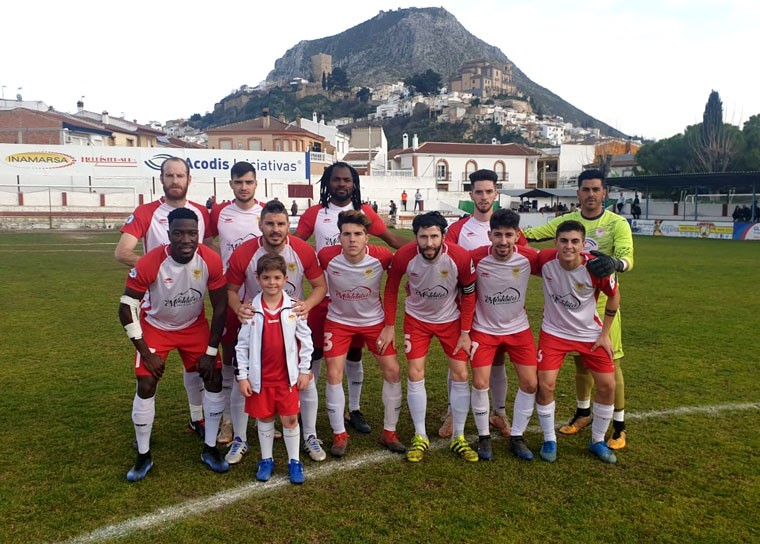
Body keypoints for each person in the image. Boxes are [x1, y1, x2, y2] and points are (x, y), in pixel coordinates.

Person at [519, 168, 634, 450]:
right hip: (566, 309)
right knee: (580, 364)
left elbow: (627, 258)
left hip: (602, 306)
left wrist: (614, 264)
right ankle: (583, 414)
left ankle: (618, 427)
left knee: (611, 364)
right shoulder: (567, 222)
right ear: (578, 193)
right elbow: (529, 236)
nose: (591, 194)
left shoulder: (616, 223)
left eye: (596, 189)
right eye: (586, 189)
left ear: (604, 193)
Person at [296, 162, 406, 436]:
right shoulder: (315, 213)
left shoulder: (365, 212)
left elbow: (392, 240)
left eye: (347, 180)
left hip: (362, 301)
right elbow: (297, 246)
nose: (342, 184)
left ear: (354, 184)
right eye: (337, 180)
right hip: (326, 300)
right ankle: (307, 409)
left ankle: (353, 410)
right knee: (318, 355)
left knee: (355, 356)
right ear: (328, 183)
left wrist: (429, 253)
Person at [119, 208, 228, 482]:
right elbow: (126, 307)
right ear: (168, 235)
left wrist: (211, 351)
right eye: (178, 233)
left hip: (194, 327)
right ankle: (143, 455)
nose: (186, 239)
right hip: (156, 328)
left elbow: (221, 307)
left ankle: (211, 448)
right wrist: (145, 352)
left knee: (214, 377)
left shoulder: (210, 260)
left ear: (199, 234)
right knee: (146, 382)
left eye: (192, 233)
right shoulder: (150, 262)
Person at [115, 156, 214, 440]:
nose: (174, 181)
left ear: (188, 180)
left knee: (196, 369)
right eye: (169, 176)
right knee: (148, 378)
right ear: (161, 179)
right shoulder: (146, 212)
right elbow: (122, 252)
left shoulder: (200, 213)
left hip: (190, 304)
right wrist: (155, 269)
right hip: (157, 306)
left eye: (180, 176)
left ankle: (197, 418)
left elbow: (207, 252)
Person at [226, 199, 327, 464]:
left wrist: (307, 305)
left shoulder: (303, 250)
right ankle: (240, 438)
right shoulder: (244, 253)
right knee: (244, 381)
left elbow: (320, 286)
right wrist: (238, 308)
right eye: (269, 223)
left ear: (288, 226)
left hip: (293, 325)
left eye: (281, 223)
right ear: (260, 225)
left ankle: (310, 435)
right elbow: (230, 291)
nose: (275, 229)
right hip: (256, 325)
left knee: (304, 380)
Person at [378, 211, 478, 463]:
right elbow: (390, 290)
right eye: (424, 237)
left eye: (434, 236)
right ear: (416, 237)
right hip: (417, 321)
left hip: (451, 321)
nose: (429, 243)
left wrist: (465, 332)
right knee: (414, 373)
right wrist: (390, 325)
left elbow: (469, 294)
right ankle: (420, 436)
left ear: (443, 236)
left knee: (461, 374)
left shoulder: (459, 256)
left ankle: (459, 436)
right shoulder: (405, 255)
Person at [319, 210, 405, 457]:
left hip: (374, 322)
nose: (352, 239)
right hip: (338, 322)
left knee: (393, 371)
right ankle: (339, 434)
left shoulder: (382, 257)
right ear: (339, 236)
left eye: (358, 234)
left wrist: (390, 325)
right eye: (347, 234)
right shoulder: (326, 256)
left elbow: (400, 278)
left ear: (368, 237)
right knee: (334, 373)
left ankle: (389, 432)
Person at [534, 220, 620, 464]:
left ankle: (597, 440)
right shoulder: (545, 260)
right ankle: (549, 439)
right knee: (546, 385)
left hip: (589, 334)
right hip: (554, 333)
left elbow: (614, 298)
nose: (568, 246)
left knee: (607, 386)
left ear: (583, 244)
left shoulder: (596, 268)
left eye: (574, 241)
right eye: (563, 241)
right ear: (556, 242)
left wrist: (605, 334)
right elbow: (517, 250)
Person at [440, 169, 512, 441]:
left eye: (488, 191)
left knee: (497, 360)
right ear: (471, 195)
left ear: (496, 193)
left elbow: (523, 259)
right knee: (457, 359)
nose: (484, 197)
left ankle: (499, 412)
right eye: (478, 192)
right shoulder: (458, 229)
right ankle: (452, 411)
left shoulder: (507, 226)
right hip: (465, 304)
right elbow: (445, 263)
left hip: (499, 308)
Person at [235, 253, 313, 484]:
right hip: (261, 380)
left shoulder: (293, 308)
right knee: (265, 419)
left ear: (285, 278)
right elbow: (241, 346)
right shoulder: (251, 310)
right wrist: (242, 376)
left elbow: (306, 341)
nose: (272, 283)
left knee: (290, 420)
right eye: (266, 278)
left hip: (286, 379)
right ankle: (266, 459)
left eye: (277, 278)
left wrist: (304, 369)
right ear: (257, 279)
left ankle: (294, 461)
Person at [469, 209, 540, 461]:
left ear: (517, 235)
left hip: (518, 329)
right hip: (483, 329)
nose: (502, 241)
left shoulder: (529, 258)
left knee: (531, 383)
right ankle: (484, 437)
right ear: (489, 235)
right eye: (497, 235)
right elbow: (450, 272)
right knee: (479, 383)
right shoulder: (475, 258)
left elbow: (560, 262)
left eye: (509, 235)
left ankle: (517, 436)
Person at [208, 161, 265, 445]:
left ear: (256, 184)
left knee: (262, 355)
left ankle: (262, 417)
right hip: (229, 294)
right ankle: (229, 423)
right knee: (230, 357)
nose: (244, 187)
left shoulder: (265, 212)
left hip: (260, 296)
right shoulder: (219, 212)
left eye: (249, 182)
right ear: (231, 184)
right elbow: (206, 241)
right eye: (238, 182)